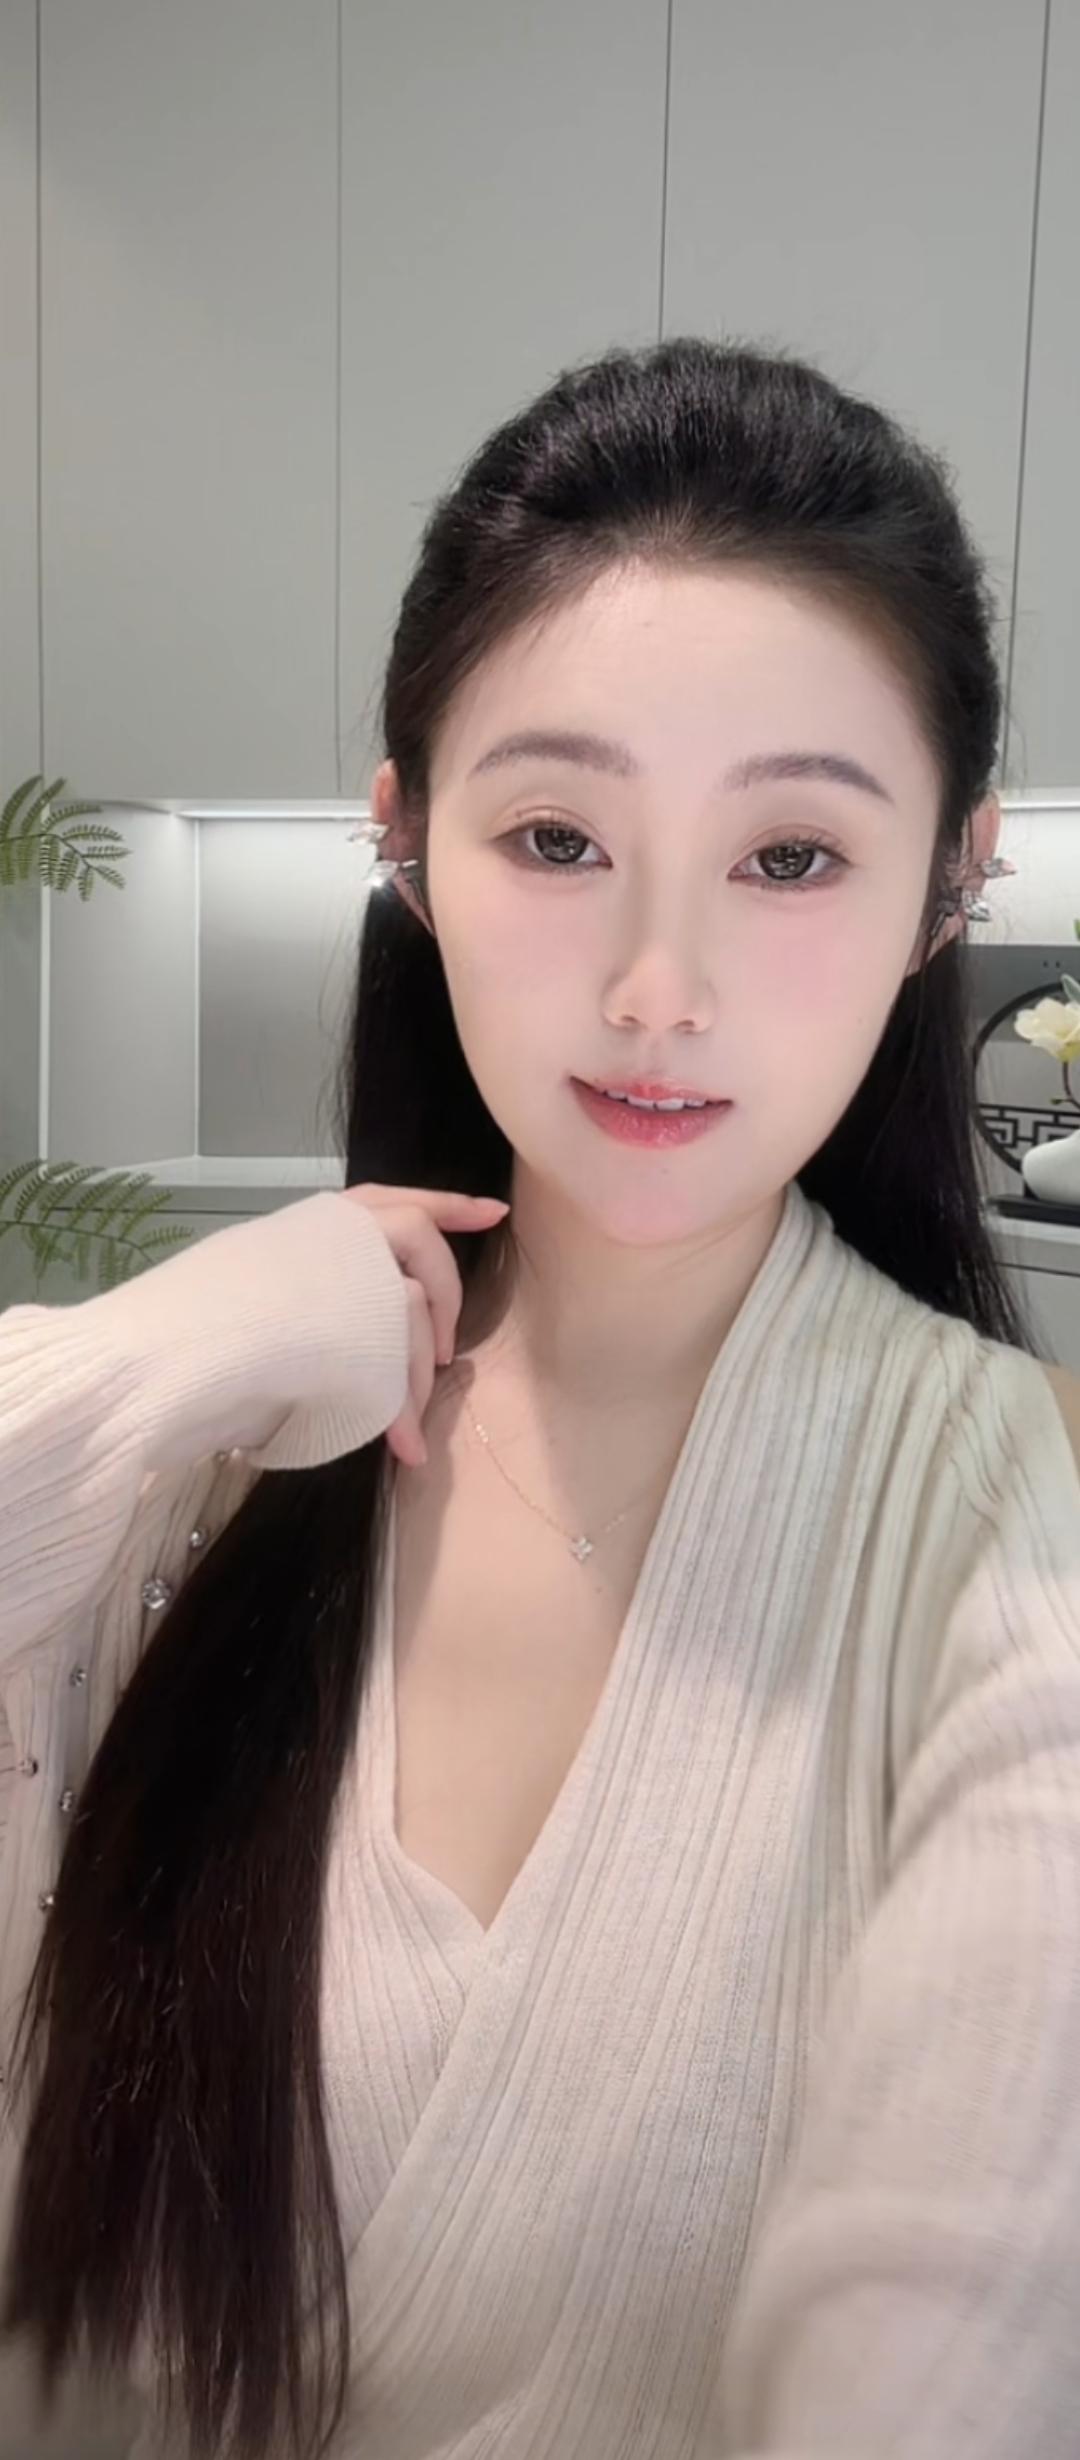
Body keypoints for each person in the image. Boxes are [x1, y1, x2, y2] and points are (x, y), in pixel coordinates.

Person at [1, 334, 1079, 2460]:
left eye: (792, 858)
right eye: (560, 834)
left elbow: (953, 2309)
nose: (658, 989)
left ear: (949, 887)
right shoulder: (210, 1460)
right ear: (406, 839)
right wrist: (146, 1366)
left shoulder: (1000, 1529)